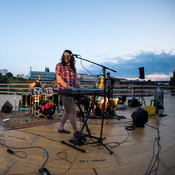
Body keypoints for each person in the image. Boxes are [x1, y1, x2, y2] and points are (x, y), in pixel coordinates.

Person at [55, 49, 84, 137]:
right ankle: (76, 132)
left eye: (67, 56)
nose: (65, 58)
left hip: (71, 91)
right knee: (73, 111)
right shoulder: (59, 65)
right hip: (65, 91)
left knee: (67, 111)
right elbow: (59, 79)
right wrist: (68, 87)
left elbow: (75, 81)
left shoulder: (73, 68)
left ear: (71, 57)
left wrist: (81, 87)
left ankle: (60, 128)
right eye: (64, 56)